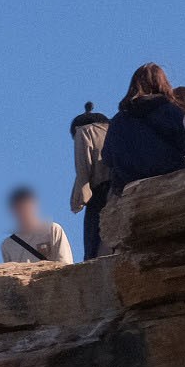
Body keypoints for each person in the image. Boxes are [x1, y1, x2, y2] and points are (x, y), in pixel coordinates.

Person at [101, 64, 185, 206]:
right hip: (170, 183)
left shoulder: (117, 121)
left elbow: (108, 158)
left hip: (131, 190)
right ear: (162, 84)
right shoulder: (167, 110)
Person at [71, 102, 111, 259]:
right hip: (122, 188)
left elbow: (83, 172)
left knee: (94, 249)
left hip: (100, 194)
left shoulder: (84, 132)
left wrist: (77, 201)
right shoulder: (114, 129)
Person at [0, 186, 73, 265]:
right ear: (13, 211)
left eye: (26, 206)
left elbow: (65, 264)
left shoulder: (52, 230)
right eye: (19, 208)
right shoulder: (8, 244)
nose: (24, 211)